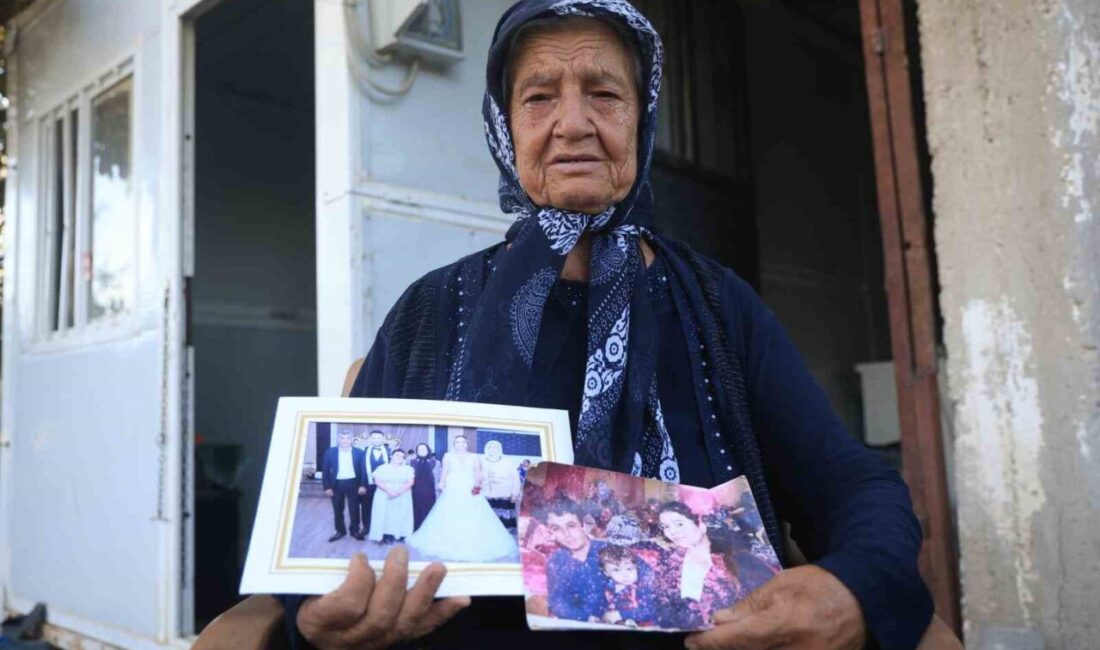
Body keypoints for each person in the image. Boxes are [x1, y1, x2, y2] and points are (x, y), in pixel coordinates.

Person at [290, 2, 933, 648]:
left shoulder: (715, 306)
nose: (573, 124)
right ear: (504, 126)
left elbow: (850, 483)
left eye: (604, 93)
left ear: (641, 118)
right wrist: (312, 620)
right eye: (539, 97)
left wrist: (853, 584)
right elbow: (314, 561)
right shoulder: (429, 314)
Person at [405, 435, 518, 562]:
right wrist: (442, 483)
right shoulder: (447, 455)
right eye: (457, 442)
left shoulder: (473, 456)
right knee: (450, 513)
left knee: (472, 513)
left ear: (466, 444)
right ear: (454, 444)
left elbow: (477, 471)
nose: (460, 444)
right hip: (453, 486)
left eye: (463, 441)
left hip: (469, 486)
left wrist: (477, 484)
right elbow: (445, 471)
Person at [652, 501, 754, 630]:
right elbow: (659, 604)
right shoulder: (669, 562)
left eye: (679, 524)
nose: (672, 532)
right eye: (665, 526)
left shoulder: (737, 560)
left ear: (702, 524)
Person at [542, 497, 608, 622]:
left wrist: (621, 614)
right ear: (551, 532)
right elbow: (556, 601)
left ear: (582, 524)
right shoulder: (556, 561)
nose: (566, 534)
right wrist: (585, 617)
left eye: (571, 526)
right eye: (556, 528)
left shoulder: (607, 550)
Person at [320, 431, 367, 542]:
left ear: (351, 440)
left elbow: (363, 471)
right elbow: (325, 470)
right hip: (336, 484)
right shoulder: (330, 452)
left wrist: (362, 485)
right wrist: (327, 487)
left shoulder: (359, 453)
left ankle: (354, 530)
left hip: (353, 484)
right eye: (342, 438)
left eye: (347, 438)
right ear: (339, 440)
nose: (345, 441)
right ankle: (340, 531)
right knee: (337, 509)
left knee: (354, 509)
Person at [596, 544, 656, 627]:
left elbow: (650, 611)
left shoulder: (641, 588)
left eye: (629, 568)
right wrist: (596, 615)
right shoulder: (607, 588)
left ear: (636, 567)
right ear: (606, 573)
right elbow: (602, 606)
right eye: (616, 570)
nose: (625, 574)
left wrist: (621, 615)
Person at [368, 450, 416, 544]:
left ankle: (400, 534)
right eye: (397, 455)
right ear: (391, 456)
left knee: (400, 514)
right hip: (384, 493)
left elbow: (411, 482)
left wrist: (398, 492)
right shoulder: (382, 468)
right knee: (384, 514)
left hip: (402, 494)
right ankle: (385, 534)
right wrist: (389, 491)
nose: (399, 458)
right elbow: (377, 481)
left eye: (402, 456)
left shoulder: (408, 469)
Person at [480, 440, 521, 528]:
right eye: (490, 447)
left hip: (505, 495)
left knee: (503, 522)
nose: (492, 449)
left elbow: (516, 478)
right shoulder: (481, 460)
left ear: (499, 448)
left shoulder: (508, 460)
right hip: (487, 494)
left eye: (495, 447)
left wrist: (515, 494)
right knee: (488, 520)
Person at [358, 430, 390, 538]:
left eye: (379, 437)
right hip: (368, 484)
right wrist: (362, 485)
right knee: (366, 507)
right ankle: (367, 527)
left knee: (385, 507)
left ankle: (384, 529)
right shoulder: (364, 452)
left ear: (383, 439)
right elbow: (361, 470)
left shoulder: (390, 452)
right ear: (370, 439)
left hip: (385, 485)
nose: (376, 440)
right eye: (374, 437)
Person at [410, 443, 438, 530]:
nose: (422, 451)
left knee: (430, 510)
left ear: (428, 450)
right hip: (415, 491)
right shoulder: (411, 462)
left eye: (424, 449)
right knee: (416, 509)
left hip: (430, 491)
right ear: (417, 451)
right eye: (420, 449)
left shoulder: (436, 462)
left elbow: (438, 477)